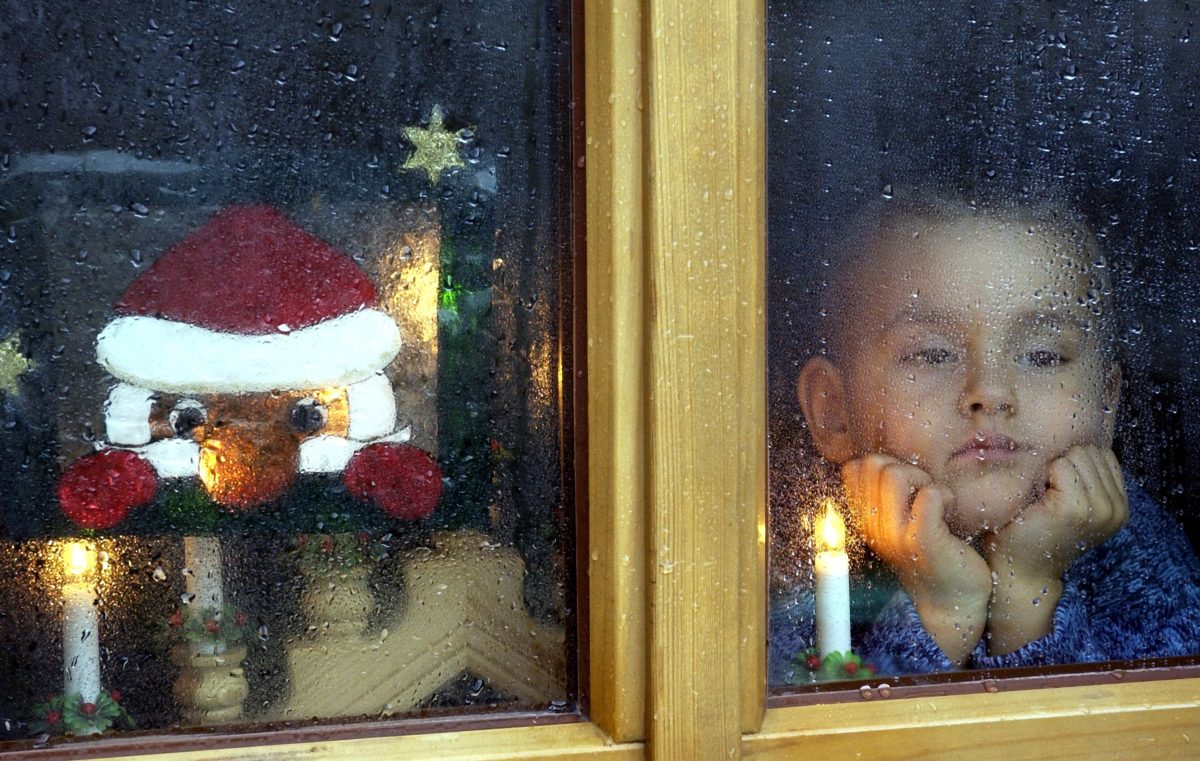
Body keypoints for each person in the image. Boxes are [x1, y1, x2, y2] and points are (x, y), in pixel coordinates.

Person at [771, 195, 1200, 680]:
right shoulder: (802, 552)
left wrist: (1026, 592)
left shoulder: (1137, 552)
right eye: (931, 354)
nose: (990, 392)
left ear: (1106, 406)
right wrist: (941, 615)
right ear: (835, 413)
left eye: (1042, 356)